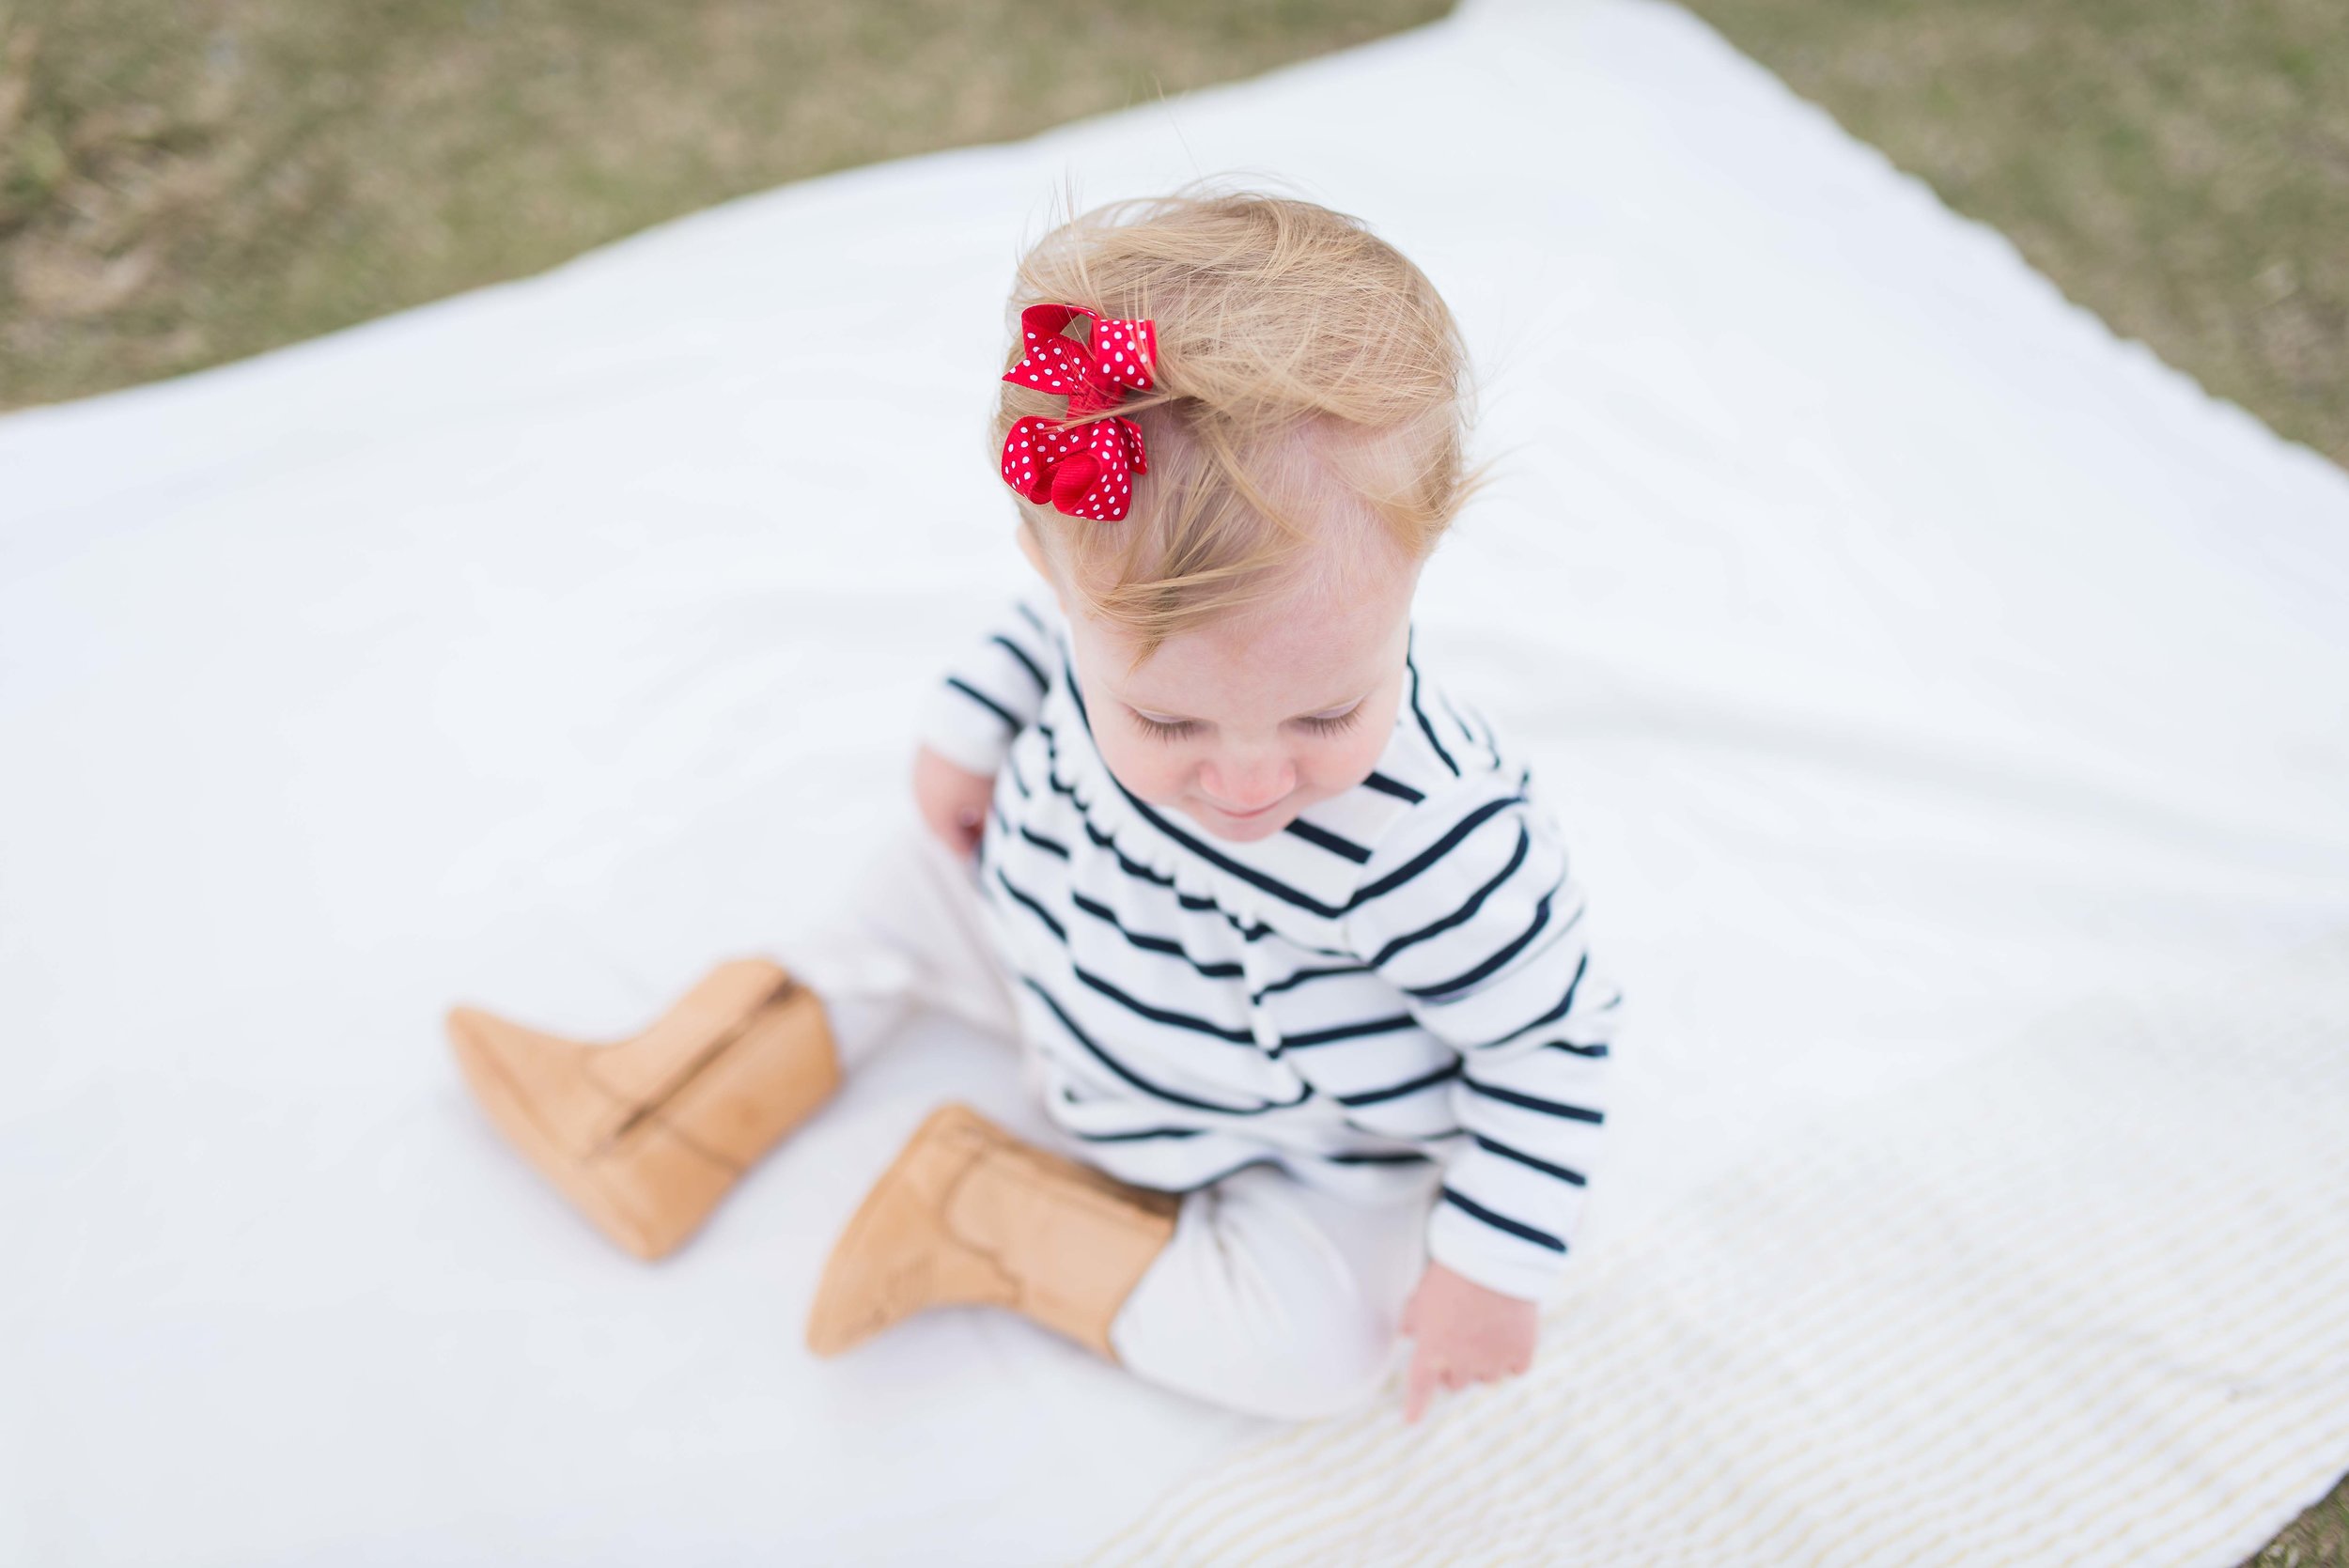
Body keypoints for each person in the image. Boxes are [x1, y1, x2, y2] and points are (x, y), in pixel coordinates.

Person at [445, 185, 1622, 1425]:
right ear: (1062, 583)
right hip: (1060, 928)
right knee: (903, 884)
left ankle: (985, 1208)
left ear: (1417, 570)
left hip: (1268, 1122)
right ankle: (641, 1113)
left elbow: (1550, 1040)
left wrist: (1493, 1267)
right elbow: (1035, 633)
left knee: (1321, 1352)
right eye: (1167, 721)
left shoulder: (1438, 836)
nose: (1248, 779)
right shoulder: (1110, 594)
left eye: (1326, 713)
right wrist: (968, 731)